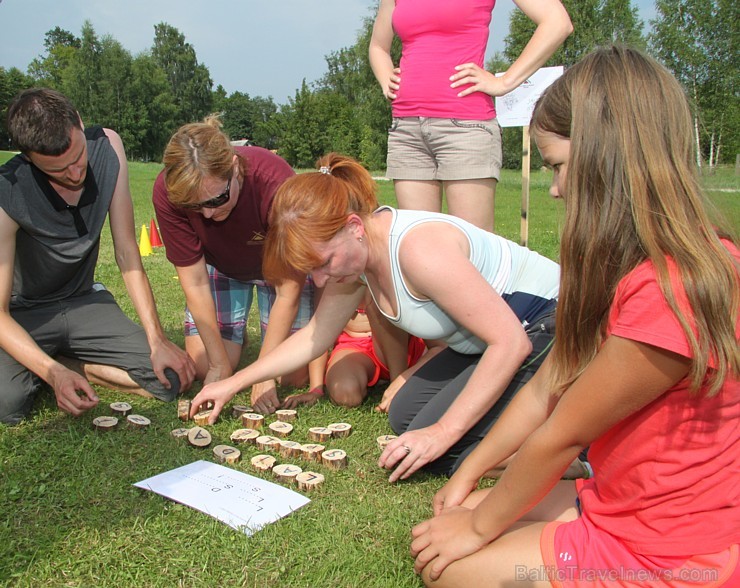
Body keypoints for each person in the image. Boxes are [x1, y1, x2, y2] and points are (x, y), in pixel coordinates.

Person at [409, 46, 740, 587]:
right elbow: (544, 389)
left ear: (609, 157)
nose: (556, 189)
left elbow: (561, 435)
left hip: (675, 553)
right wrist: (467, 478)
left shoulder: (673, 288)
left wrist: (476, 530)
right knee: (466, 516)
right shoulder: (641, 268)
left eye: (559, 166)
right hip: (623, 501)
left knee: (451, 569)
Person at [189, 153, 562, 485]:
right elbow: (315, 338)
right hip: (489, 343)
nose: (319, 280)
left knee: (438, 449)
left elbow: (511, 342)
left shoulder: (418, 251)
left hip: (550, 323)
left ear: (354, 226)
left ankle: (560, 453)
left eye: (323, 264)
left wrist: (444, 432)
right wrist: (233, 383)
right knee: (407, 415)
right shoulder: (357, 257)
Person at [0, 88, 195, 425]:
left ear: (79, 121)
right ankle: (53, 365)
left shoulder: (108, 147)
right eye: (58, 171)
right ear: (28, 157)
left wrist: (157, 339)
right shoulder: (7, 191)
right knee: (9, 406)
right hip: (24, 313)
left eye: (78, 158)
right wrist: (52, 372)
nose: (76, 174)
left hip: (84, 303)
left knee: (170, 379)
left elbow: (126, 251)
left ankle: (77, 364)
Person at [153, 116, 325, 415]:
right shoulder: (169, 191)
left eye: (217, 198)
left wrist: (265, 371)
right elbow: (194, 283)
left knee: (291, 375)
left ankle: (250, 348)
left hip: (277, 267)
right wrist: (219, 366)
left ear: (234, 167)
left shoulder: (275, 181)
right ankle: (234, 342)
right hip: (221, 266)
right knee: (203, 365)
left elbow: (289, 289)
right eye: (195, 207)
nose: (207, 214)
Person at [368, 0, 572, 231]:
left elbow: (557, 22)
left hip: (465, 128)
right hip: (407, 130)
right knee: (418, 245)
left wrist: (504, 82)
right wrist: (387, 80)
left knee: (474, 246)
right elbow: (378, 46)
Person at [282, 291, 429, 410]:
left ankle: (398, 386)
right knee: (346, 395)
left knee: (378, 299)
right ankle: (374, 380)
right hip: (354, 346)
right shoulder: (333, 273)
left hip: (402, 345)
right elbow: (320, 330)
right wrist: (315, 389)